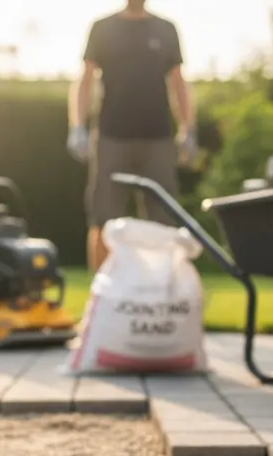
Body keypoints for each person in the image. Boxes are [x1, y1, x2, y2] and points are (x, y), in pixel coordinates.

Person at [66, 0, 197, 272]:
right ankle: (100, 298)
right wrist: (77, 126)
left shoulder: (165, 29)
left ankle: (161, 293)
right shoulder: (103, 29)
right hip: (112, 137)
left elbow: (178, 81)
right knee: (103, 218)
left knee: (163, 220)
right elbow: (86, 79)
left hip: (158, 138)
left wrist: (188, 128)